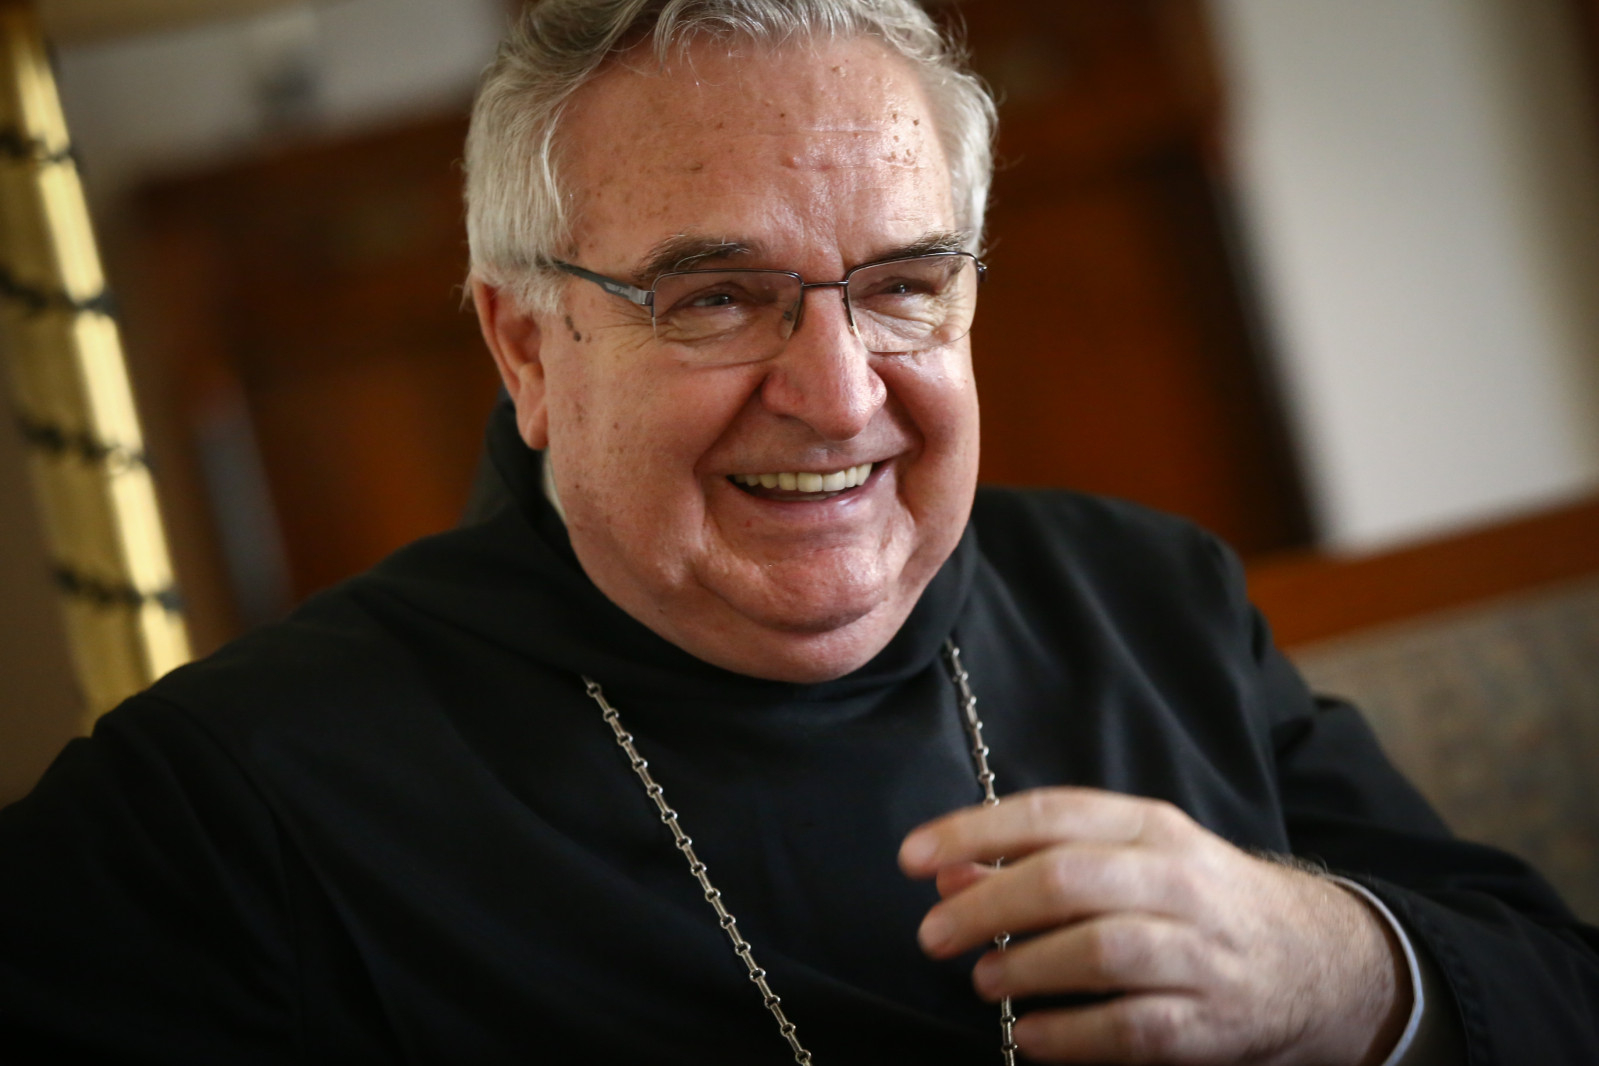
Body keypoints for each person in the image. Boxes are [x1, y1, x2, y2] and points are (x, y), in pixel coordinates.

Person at [2, 1, 1596, 1062]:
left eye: (903, 285)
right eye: (715, 297)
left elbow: (1558, 993)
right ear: (526, 347)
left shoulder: (1146, 597)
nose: (837, 397)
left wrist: (1321, 965)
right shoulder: (223, 804)